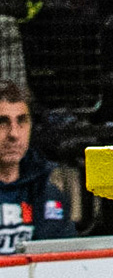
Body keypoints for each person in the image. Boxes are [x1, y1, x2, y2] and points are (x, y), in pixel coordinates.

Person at [0, 85, 77, 253]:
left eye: (21, 121)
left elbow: (65, 262)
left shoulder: (48, 192)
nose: (14, 134)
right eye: (2, 122)